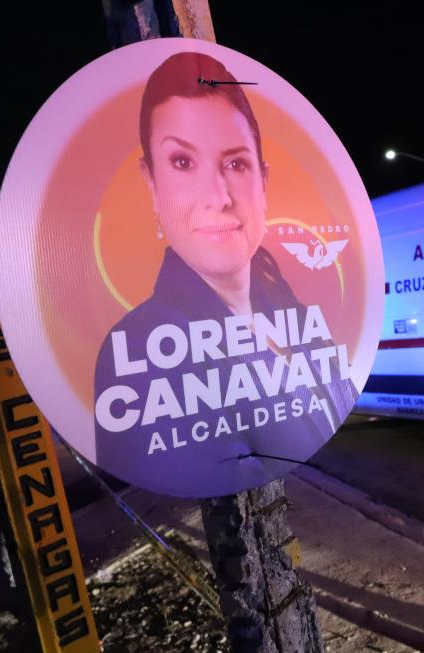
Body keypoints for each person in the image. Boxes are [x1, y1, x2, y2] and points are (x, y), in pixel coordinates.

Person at [93, 52, 357, 497]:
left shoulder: (294, 314)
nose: (218, 196)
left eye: (236, 164)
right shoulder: (137, 353)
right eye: (182, 162)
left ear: (263, 182)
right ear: (151, 183)